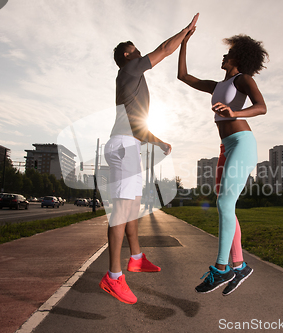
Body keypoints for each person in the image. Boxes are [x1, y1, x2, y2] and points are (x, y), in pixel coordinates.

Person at [99, 13, 199, 305]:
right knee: (122, 210)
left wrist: (158, 141)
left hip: (128, 144)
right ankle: (114, 277)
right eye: (137, 48)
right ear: (128, 55)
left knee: (130, 207)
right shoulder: (130, 68)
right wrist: (186, 31)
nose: (142, 52)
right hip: (122, 147)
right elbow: (166, 49)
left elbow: (136, 123)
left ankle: (137, 258)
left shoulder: (131, 77)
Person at [178, 30, 268, 295]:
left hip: (242, 143)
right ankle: (239, 266)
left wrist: (234, 112)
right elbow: (184, 76)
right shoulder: (218, 85)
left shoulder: (243, 79)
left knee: (224, 203)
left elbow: (261, 106)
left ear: (238, 57)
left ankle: (221, 269)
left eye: (228, 53)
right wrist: (184, 43)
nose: (224, 56)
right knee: (226, 205)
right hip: (226, 147)